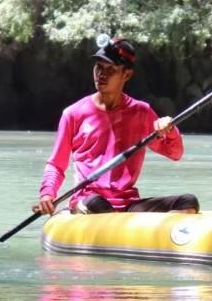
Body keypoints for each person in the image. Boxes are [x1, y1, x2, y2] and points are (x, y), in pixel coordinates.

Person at [35, 36, 199, 215]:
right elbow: (56, 164)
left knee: (188, 202)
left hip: (128, 205)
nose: (101, 74)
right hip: (89, 200)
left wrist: (170, 130)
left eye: (110, 69)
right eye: (98, 67)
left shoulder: (141, 112)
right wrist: (47, 193)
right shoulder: (73, 114)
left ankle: (157, 238)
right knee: (96, 204)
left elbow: (175, 153)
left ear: (126, 75)